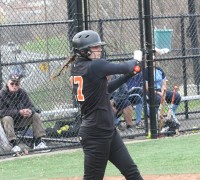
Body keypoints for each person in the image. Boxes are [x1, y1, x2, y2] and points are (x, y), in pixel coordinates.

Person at [53, 30, 143, 179]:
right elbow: (128, 66)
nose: (99, 49)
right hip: (95, 133)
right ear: (84, 50)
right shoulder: (95, 66)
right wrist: (139, 58)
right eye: (95, 47)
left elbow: (105, 89)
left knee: (132, 172)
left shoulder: (78, 67)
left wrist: (128, 76)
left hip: (107, 130)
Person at [0, 74, 48, 153]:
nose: (14, 86)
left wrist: (29, 111)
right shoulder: (1, 94)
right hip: (6, 123)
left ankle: (38, 142)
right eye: (12, 83)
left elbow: (32, 107)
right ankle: (13, 144)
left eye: (17, 84)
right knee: (7, 118)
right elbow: (1, 112)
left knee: (35, 115)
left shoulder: (22, 93)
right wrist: (19, 112)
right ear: (7, 83)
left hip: (21, 120)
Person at [145, 50, 181, 132]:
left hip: (161, 91)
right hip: (151, 92)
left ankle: (170, 115)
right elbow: (147, 87)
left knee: (177, 96)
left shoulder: (159, 70)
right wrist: (158, 93)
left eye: (154, 60)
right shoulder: (146, 71)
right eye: (152, 60)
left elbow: (164, 84)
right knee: (158, 99)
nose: (154, 62)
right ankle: (159, 121)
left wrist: (162, 91)